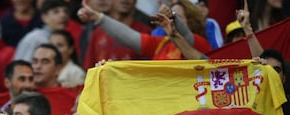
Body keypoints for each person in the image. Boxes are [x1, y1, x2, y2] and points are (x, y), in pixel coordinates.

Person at [77, 1, 212, 60]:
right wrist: (99, 18)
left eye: (179, 17)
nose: (168, 20)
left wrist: (173, 16)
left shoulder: (198, 44)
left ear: (192, 21)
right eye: (167, 16)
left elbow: (186, 36)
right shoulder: (161, 44)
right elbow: (129, 36)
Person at [83, 0, 151, 70]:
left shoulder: (145, 31)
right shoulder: (98, 32)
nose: (125, 1)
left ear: (136, 1)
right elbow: (89, 68)